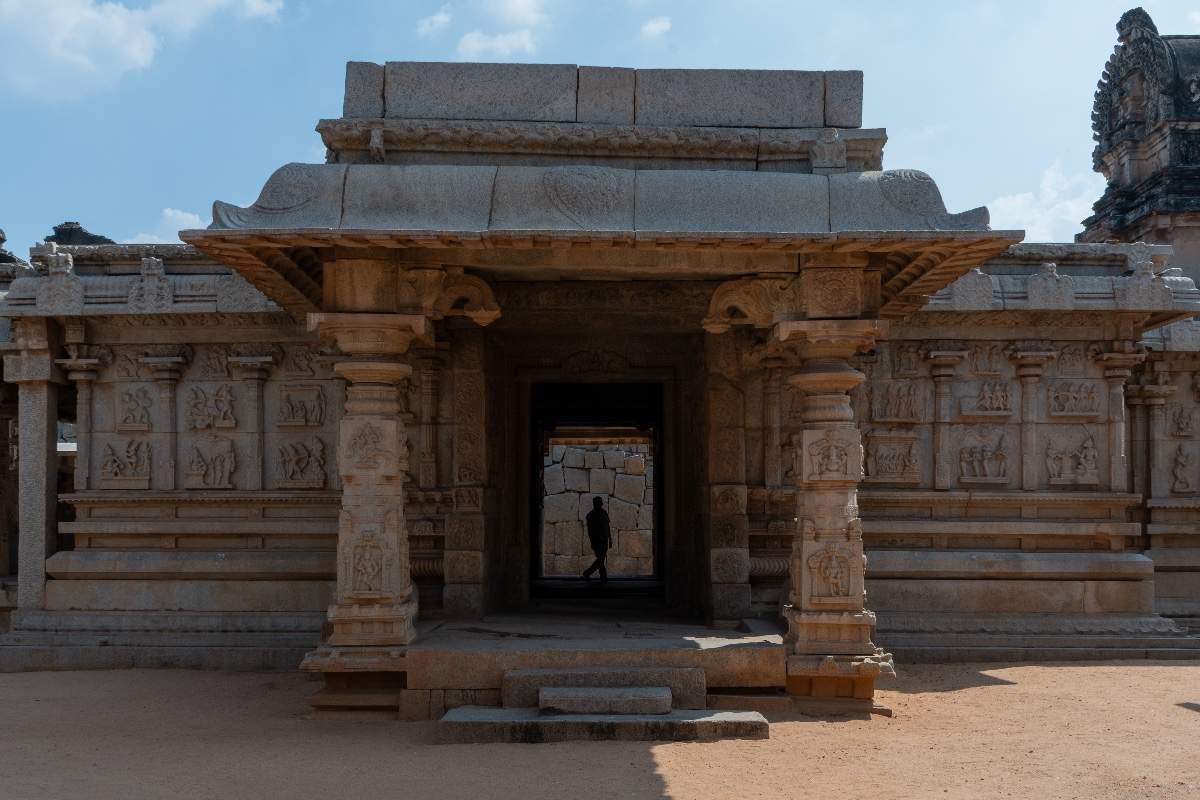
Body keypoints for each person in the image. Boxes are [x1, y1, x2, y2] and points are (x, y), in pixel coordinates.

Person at [581, 496, 612, 583]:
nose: (599, 505)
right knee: (600, 560)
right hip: (597, 541)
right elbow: (590, 531)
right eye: (597, 504)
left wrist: (610, 539)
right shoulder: (590, 516)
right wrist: (592, 542)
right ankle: (602, 578)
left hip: (604, 541)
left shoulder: (604, 513)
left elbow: (607, 527)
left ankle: (588, 574)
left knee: (600, 560)